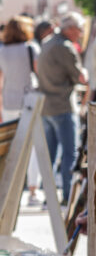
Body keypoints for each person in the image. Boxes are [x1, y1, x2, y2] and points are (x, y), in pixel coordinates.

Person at [37, 12, 88, 203]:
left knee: (50, 155)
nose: (81, 34)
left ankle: (49, 195)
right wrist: (84, 73)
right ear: (71, 29)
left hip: (47, 106)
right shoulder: (64, 47)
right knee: (70, 154)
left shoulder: (48, 41)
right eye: (80, 30)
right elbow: (79, 77)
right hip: (63, 106)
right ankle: (68, 195)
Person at [0, 17, 41, 203]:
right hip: (29, 101)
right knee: (33, 148)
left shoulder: (0, 52)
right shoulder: (31, 48)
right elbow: (40, 76)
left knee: (12, 148)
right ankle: (33, 190)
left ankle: (10, 191)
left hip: (8, 104)